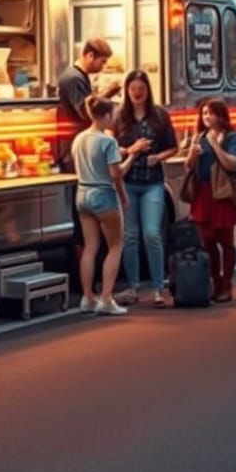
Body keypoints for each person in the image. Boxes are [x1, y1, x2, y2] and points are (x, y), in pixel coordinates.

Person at [114, 70, 178, 307]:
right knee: (130, 236)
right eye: (133, 89)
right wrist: (131, 149)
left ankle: (159, 287)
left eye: (141, 88)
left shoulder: (159, 115)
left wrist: (158, 157)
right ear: (127, 91)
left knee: (152, 233)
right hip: (128, 182)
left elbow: (173, 146)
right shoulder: (120, 116)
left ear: (148, 90)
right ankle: (132, 287)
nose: (137, 93)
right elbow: (113, 146)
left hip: (152, 182)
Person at [70, 95, 133, 315]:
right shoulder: (108, 141)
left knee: (90, 247)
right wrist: (132, 156)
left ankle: (88, 297)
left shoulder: (79, 138)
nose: (113, 119)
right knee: (115, 245)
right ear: (105, 116)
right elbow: (117, 174)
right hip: (104, 194)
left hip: (82, 193)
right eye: (112, 115)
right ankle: (106, 298)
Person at [184, 97, 236, 303]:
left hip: (222, 193)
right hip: (203, 192)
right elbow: (189, 167)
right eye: (204, 113)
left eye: (211, 113)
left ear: (221, 115)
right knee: (207, 240)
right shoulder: (198, 136)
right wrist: (192, 155)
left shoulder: (231, 137)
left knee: (226, 241)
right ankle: (215, 281)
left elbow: (231, 164)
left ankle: (227, 284)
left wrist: (217, 147)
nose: (207, 117)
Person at [56, 38, 122, 171]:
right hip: (74, 148)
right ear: (90, 55)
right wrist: (108, 92)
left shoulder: (79, 76)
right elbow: (86, 111)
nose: (103, 67)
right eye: (102, 62)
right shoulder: (74, 79)